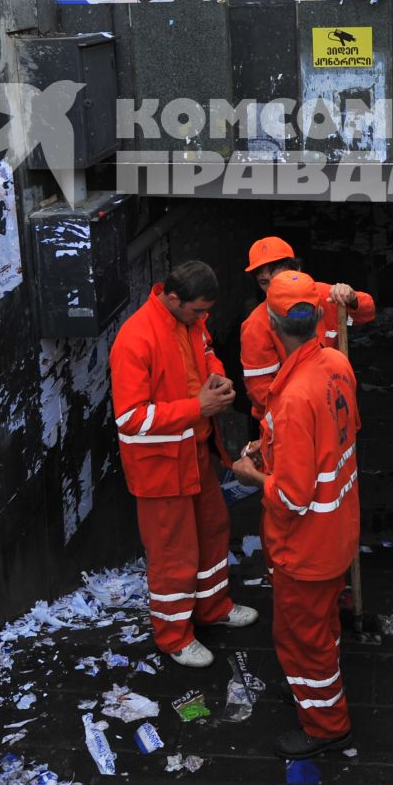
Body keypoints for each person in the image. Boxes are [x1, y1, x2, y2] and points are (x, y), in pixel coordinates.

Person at [228, 271, 360, 761]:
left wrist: (252, 475)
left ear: (274, 323)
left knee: (300, 639)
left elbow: (293, 496)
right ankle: (313, 695)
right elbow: (338, 439)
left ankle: (327, 724)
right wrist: (273, 446)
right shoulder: (337, 364)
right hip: (337, 531)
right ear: (319, 316)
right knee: (321, 629)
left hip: (305, 544)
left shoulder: (293, 396)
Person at [109, 261, 257, 666]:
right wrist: (198, 407)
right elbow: (130, 419)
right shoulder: (135, 340)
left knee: (212, 531)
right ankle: (174, 636)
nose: (202, 319)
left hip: (193, 453)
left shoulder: (190, 321)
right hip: (159, 468)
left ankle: (213, 608)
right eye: (197, 312)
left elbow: (206, 354)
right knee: (173, 553)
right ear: (172, 299)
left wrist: (218, 378)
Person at [238, 236, 374, 417]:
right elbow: (260, 390)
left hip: (335, 406)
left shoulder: (326, 296)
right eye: (264, 282)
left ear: (298, 271)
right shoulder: (255, 324)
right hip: (290, 416)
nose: (273, 289)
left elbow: (367, 312)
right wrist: (296, 418)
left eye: (280, 279)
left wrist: (352, 298)